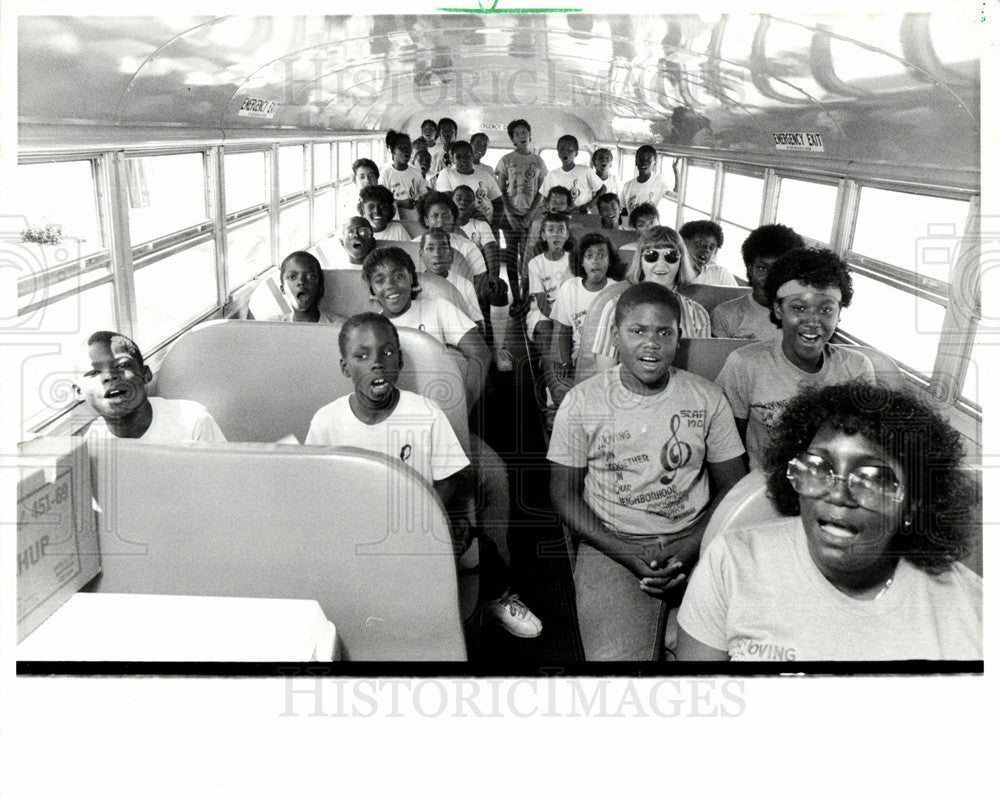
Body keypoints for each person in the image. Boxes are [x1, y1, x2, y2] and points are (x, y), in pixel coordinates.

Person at [677, 381, 982, 661]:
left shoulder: (974, 612)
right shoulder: (732, 562)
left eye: (871, 479)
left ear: (913, 503)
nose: (838, 493)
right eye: (818, 467)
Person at [306, 312, 541, 638]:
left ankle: (494, 596)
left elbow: (454, 477)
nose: (377, 363)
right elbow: (318, 490)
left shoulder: (425, 412)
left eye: (387, 353)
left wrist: (428, 512)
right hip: (356, 532)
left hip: (416, 526)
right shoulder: (326, 422)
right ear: (345, 367)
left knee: (474, 542)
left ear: (399, 362)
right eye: (362, 356)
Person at [548, 282, 746, 660]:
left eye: (664, 332)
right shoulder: (583, 401)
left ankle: (674, 632)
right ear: (615, 336)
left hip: (697, 539)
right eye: (637, 331)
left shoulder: (707, 398)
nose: (651, 343)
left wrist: (689, 547)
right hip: (612, 542)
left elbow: (732, 487)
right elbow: (562, 493)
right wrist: (624, 552)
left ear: (678, 337)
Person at [716, 247, 875, 470]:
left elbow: (860, 446)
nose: (812, 321)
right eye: (799, 308)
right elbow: (728, 450)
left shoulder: (857, 368)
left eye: (826, 309)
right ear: (778, 310)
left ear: (839, 314)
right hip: (763, 488)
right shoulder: (744, 364)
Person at [361, 246, 490, 405]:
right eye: (380, 281)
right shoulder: (371, 329)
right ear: (372, 290)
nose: (390, 285)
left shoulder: (438, 307)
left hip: (438, 401)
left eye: (398, 276)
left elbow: (480, 353)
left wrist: (464, 405)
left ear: (410, 278)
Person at [589, 226, 712, 372]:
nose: (661, 264)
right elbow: (605, 375)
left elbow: (699, 377)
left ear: (681, 262)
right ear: (640, 261)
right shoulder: (615, 308)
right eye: (651, 255)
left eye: (671, 256)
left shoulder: (698, 314)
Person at [73, 331, 225, 442]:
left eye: (122, 365)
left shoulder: (193, 421)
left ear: (145, 374)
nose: (109, 376)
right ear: (79, 392)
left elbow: (225, 478)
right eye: (94, 373)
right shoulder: (93, 444)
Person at [550, 232, 622, 404]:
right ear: (581, 262)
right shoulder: (570, 288)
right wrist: (564, 360)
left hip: (610, 356)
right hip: (579, 355)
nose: (595, 261)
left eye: (602, 255)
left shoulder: (618, 290)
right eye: (589, 256)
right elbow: (562, 329)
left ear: (610, 260)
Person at [452, 184, 514, 371]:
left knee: (499, 289)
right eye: (459, 198)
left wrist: (492, 277)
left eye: (468, 199)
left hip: (479, 277)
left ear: (475, 205)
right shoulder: (445, 227)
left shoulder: (480, 225)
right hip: (454, 278)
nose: (463, 202)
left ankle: (498, 347)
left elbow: (491, 253)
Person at [711, 224, 804, 340]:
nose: (770, 278)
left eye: (779, 270)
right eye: (762, 268)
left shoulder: (806, 317)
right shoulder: (725, 314)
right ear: (750, 270)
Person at [494, 118, 547, 292]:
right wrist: (511, 217)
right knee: (510, 257)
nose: (521, 136)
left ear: (530, 135)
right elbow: (500, 191)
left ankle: (526, 295)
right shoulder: (506, 160)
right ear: (512, 139)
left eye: (524, 132)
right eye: (517, 133)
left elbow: (542, 191)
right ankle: (515, 296)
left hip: (531, 217)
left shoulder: (538, 161)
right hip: (510, 217)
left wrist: (529, 217)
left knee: (527, 257)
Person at [415, 191, 493, 295]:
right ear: (426, 220)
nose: (441, 220)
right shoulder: (414, 244)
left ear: (453, 218)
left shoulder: (468, 247)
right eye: (435, 216)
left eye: (446, 215)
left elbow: (480, 286)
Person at [525, 212, 573, 375]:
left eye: (561, 230)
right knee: (548, 338)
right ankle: (550, 390)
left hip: (570, 311)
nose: (556, 234)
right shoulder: (535, 264)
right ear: (544, 235)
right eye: (551, 230)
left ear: (567, 235)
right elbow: (541, 301)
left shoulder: (574, 260)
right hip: (544, 312)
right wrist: (558, 324)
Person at [418, 229, 485, 333]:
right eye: (430, 248)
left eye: (443, 248)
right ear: (421, 255)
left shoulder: (464, 285)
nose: (437, 254)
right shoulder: (414, 285)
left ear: (450, 255)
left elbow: (478, 324)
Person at [434, 140, 503, 228]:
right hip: (460, 226)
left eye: (467, 156)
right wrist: (475, 213)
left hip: (486, 226)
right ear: (453, 159)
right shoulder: (447, 173)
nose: (464, 160)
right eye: (458, 157)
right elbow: (447, 200)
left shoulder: (485, 175)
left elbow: (498, 202)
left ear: (473, 156)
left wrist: (493, 225)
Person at [263, 251, 341, 323]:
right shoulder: (272, 325)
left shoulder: (338, 326)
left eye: (310, 277)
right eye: (292, 277)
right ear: (282, 289)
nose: (301, 282)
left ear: (320, 289)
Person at [539, 134, 605, 214]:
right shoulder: (552, 175)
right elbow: (544, 196)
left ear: (576, 153)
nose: (565, 153)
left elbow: (602, 189)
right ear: (558, 152)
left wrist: (589, 205)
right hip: (559, 217)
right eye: (562, 149)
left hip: (582, 215)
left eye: (570, 150)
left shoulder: (585, 171)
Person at [380, 130, 427, 221]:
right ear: (393, 150)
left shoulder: (416, 172)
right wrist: (400, 203)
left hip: (414, 218)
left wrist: (419, 201)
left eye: (409, 148)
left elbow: (423, 194)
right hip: (394, 219)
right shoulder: (386, 173)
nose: (406, 151)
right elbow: (382, 201)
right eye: (401, 147)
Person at [679, 220, 737, 286]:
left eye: (712, 247)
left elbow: (740, 296)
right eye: (699, 243)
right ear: (683, 242)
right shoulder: (670, 272)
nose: (706, 250)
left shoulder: (720, 274)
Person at [310, 216, 376, 270]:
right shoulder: (333, 272)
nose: (356, 235)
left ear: (373, 242)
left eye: (363, 232)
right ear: (342, 242)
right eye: (350, 233)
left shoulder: (381, 271)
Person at [620, 145, 669, 215]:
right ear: (636, 161)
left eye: (648, 160)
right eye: (641, 159)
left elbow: (674, 195)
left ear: (654, 163)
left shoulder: (659, 181)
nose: (644, 162)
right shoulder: (627, 186)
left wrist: (676, 173)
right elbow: (624, 212)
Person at [339, 158, 380, 222]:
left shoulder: (387, 199)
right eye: (362, 177)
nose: (367, 181)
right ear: (355, 180)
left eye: (371, 176)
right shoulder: (350, 203)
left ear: (377, 178)